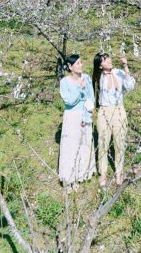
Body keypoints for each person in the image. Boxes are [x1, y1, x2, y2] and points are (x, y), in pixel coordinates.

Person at [92, 52, 136, 187]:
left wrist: (126, 66)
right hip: (104, 110)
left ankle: (119, 172)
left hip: (119, 110)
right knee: (103, 141)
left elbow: (130, 87)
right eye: (105, 60)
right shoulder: (98, 77)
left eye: (108, 58)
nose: (109, 61)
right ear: (100, 66)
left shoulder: (118, 72)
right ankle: (103, 173)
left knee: (119, 142)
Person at [58, 53, 96, 186]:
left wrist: (86, 116)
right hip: (71, 116)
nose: (81, 65)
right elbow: (69, 101)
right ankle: (69, 179)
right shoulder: (64, 82)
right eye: (78, 63)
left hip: (84, 115)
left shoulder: (87, 78)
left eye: (81, 62)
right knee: (71, 146)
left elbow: (90, 98)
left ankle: (81, 175)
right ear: (70, 66)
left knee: (84, 144)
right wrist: (79, 87)